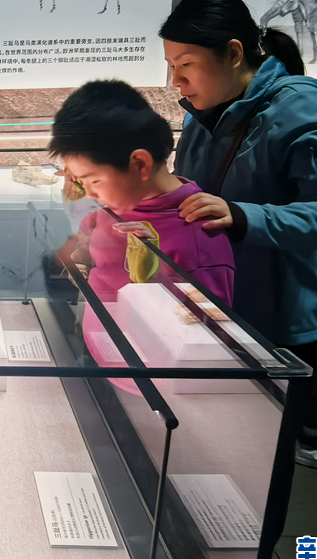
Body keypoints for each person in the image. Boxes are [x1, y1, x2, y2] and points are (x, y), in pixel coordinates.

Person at [160, 0, 317, 475]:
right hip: (221, 296)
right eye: (171, 66)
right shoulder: (201, 112)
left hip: (282, 306)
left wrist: (244, 216)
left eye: (186, 65)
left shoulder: (304, 109)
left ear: (233, 53)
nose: (176, 80)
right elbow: (192, 189)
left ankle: (303, 452)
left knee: (269, 448)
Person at [49, 80, 235, 393]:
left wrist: (151, 278)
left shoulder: (199, 236)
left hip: (151, 386)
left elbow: (208, 338)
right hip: (103, 356)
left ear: (139, 164)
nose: (90, 193)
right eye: (82, 182)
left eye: (94, 180)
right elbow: (94, 252)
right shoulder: (119, 206)